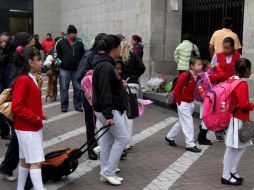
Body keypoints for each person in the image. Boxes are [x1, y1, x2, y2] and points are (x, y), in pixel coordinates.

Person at [93, 34, 129, 185]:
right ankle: (108, 171)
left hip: (105, 109)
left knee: (108, 141)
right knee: (123, 138)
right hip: (108, 109)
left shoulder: (104, 64)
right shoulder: (106, 66)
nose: (121, 48)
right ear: (113, 48)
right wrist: (108, 114)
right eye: (119, 46)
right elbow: (105, 91)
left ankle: (106, 171)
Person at [11, 47, 47, 190]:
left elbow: (26, 103)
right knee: (36, 162)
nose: (42, 62)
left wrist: (40, 112)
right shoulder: (24, 79)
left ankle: (20, 188)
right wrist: (36, 116)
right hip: (29, 127)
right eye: (39, 59)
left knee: (25, 160)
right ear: (30, 62)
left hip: (27, 126)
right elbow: (16, 106)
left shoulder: (29, 77)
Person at [221, 58, 254, 186]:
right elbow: (244, 104)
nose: (250, 71)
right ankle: (225, 175)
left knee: (243, 145)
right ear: (246, 70)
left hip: (240, 119)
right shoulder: (242, 83)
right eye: (250, 69)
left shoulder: (232, 79)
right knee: (232, 148)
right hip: (238, 118)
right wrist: (252, 105)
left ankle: (232, 171)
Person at [76, 32, 107, 160]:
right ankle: (92, 148)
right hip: (89, 96)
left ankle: (106, 148)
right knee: (91, 124)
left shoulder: (105, 56)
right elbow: (79, 77)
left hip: (102, 95)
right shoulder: (89, 56)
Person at [165, 57, 203, 153]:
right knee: (189, 123)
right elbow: (176, 89)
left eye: (201, 64)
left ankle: (169, 137)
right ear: (192, 66)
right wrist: (179, 102)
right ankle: (190, 144)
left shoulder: (197, 76)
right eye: (198, 64)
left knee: (182, 122)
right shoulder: (185, 75)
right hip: (183, 103)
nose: (201, 66)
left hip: (190, 103)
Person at [211, 37, 241, 141]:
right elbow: (211, 70)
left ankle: (229, 129)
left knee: (231, 108)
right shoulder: (217, 56)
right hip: (221, 88)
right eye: (224, 48)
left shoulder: (238, 56)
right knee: (221, 108)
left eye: (228, 48)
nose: (225, 50)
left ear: (233, 47)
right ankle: (219, 131)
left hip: (233, 88)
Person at [120, 39, 146, 149]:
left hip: (122, 84)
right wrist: (135, 75)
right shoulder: (133, 55)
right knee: (129, 113)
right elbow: (142, 67)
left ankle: (123, 142)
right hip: (133, 84)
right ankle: (128, 142)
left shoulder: (118, 56)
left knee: (122, 113)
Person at [55, 25, 86, 112]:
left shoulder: (79, 42)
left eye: (75, 33)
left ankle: (78, 105)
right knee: (64, 88)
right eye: (72, 33)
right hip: (64, 70)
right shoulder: (60, 42)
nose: (74, 35)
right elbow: (55, 55)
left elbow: (84, 55)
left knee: (78, 88)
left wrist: (82, 66)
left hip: (77, 70)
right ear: (68, 34)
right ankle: (64, 106)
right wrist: (61, 64)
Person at [195, 60, 225, 145]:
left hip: (203, 98)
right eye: (209, 64)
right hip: (208, 99)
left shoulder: (203, 74)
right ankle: (201, 138)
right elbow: (222, 75)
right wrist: (217, 67)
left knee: (204, 118)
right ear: (207, 67)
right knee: (206, 118)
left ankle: (201, 137)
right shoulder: (209, 76)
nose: (212, 65)